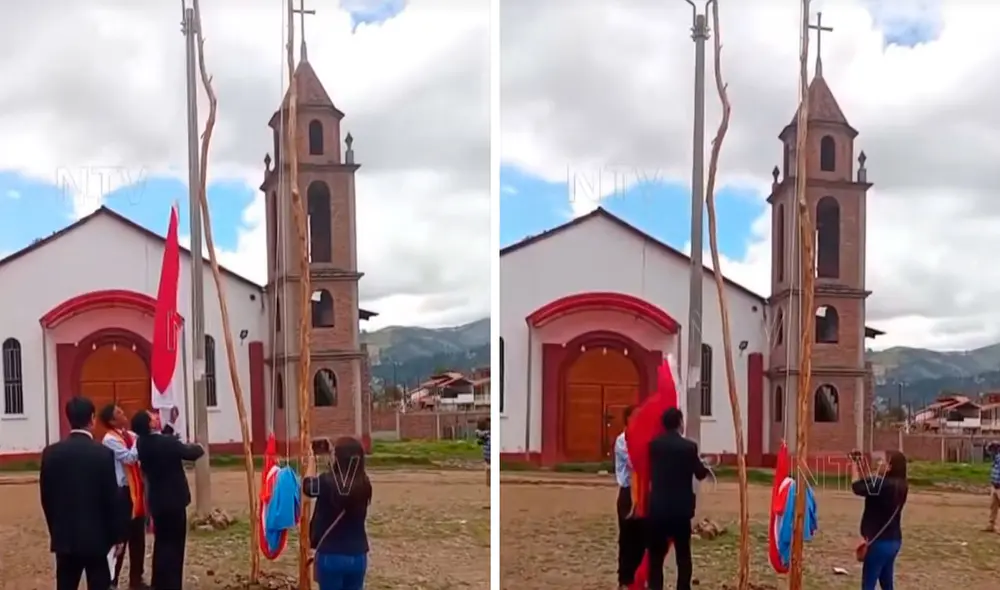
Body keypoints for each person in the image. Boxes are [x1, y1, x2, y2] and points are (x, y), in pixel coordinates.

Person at [39, 396, 120, 590]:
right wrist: (115, 536)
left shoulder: (51, 453)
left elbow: (46, 498)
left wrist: (56, 530)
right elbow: (111, 498)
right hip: (97, 539)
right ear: (92, 418)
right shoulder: (102, 453)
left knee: (66, 584)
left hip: (65, 539)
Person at [132, 409, 205, 590]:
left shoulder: (142, 443)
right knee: (175, 544)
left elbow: (162, 441)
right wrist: (200, 446)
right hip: (175, 501)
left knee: (162, 543)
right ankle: (172, 584)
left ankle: (159, 583)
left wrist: (170, 425)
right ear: (149, 424)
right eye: (151, 417)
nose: (156, 417)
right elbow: (191, 453)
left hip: (157, 501)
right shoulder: (168, 443)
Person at [645, 407, 710, 590]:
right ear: (680, 423)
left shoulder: (654, 446)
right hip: (681, 511)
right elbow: (699, 474)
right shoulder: (689, 447)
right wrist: (705, 466)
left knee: (656, 557)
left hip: (658, 509)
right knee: (683, 555)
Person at [304, 436, 373, 590]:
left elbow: (308, 487)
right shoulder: (364, 484)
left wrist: (311, 461)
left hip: (331, 555)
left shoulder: (326, 482)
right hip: (358, 555)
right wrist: (333, 455)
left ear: (338, 458)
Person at [99, 403, 150, 590]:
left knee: (138, 538)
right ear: (112, 420)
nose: (123, 414)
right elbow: (129, 457)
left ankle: (137, 580)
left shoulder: (130, 435)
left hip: (136, 491)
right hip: (122, 493)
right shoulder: (110, 440)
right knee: (120, 538)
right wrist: (140, 441)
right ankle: (112, 580)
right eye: (119, 413)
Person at [850, 450, 908, 590]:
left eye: (884, 461)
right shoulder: (900, 484)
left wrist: (853, 464)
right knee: (886, 582)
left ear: (890, 467)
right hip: (894, 540)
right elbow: (869, 482)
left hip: (879, 542)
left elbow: (857, 486)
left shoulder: (883, 485)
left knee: (868, 584)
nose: (879, 463)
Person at [614, 405, 643, 590]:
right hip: (627, 493)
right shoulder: (622, 441)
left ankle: (639, 579)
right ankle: (624, 579)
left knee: (642, 538)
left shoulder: (644, 438)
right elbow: (635, 462)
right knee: (627, 537)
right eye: (634, 417)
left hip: (643, 492)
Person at [984, 441, 1000, 532]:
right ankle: (991, 525)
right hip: (995, 485)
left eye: (992, 450)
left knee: (994, 506)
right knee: (993, 506)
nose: (990, 452)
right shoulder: (995, 459)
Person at [476, 417, 491, 486]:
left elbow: (479, 442)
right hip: (489, 452)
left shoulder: (481, 434)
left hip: (486, 453)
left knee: (488, 466)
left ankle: (488, 482)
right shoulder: (488, 434)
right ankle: (490, 481)